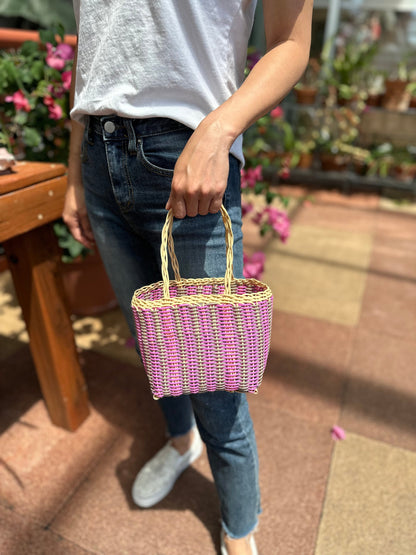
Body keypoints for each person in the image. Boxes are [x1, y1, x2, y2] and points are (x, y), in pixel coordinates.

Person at [64, 1, 313, 553]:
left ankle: (241, 524)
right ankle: (181, 443)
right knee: (152, 338)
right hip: (98, 160)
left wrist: (220, 130)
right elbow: (94, 45)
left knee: (217, 375)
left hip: (190, 157)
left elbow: (291, 42)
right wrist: (74, 172)